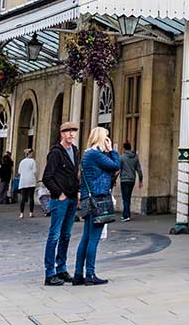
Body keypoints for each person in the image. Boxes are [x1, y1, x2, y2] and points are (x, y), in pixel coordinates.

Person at [74, 127, 120, 285]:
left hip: (89, 198)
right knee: (93, 238)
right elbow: (115, 165)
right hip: (98, 200)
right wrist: (111, 149)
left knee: (86, 238)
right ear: (101, 138)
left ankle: (78, 274)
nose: (108, 139)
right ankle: (90, 275)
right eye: (107, 136)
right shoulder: (95, 155)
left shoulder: (88, 154)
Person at [42, 121, 81, 285]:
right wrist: (59, 194)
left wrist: (77, 192)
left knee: (66, 235)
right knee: (54, 235)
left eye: (73, 131)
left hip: (72, 198)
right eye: (68, 132)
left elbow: (74, 174)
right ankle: (49, 273)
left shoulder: (75, 150)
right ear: (62, 134)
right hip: (60, 200)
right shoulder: (56, 153)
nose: (71, 134)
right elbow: (47, 177)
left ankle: (61, 268)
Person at [117, 141, 143, 221]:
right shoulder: (135, 157)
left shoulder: (122, 157)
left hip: (124, 180)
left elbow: (118, 169)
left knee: (125, 198)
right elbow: (139, 169)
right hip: (132, 180)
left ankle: (126, 215)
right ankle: (125, 214)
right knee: (128, 197)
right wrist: (140, 180)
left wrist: (114, 179)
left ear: (124, 148)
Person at [16, 148, 38, 218]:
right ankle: (31, 213)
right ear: (30, 154)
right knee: (31, 197)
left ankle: (21, 213)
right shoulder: (32, 161)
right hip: (31, 180)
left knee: (23, 197)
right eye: (32, 153)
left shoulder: (22, 161)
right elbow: (35, 171)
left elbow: (19, 172)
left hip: (23, 181)